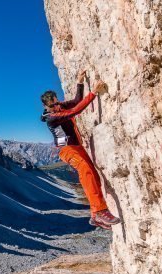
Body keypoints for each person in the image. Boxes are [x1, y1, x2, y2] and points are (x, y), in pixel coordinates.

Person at [40, 70, 120, 230]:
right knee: (86, 171)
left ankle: (95, 216)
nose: (56, 107)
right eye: (52, 105)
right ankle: (99, 211)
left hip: (77, 146)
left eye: (56, 103)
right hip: (67, 150)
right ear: (45, 106)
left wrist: (80, 82)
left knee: (93, 174)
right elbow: (75, 111)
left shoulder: (60, 107)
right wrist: (93, 93)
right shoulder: (52, 118)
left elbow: (76, 101)